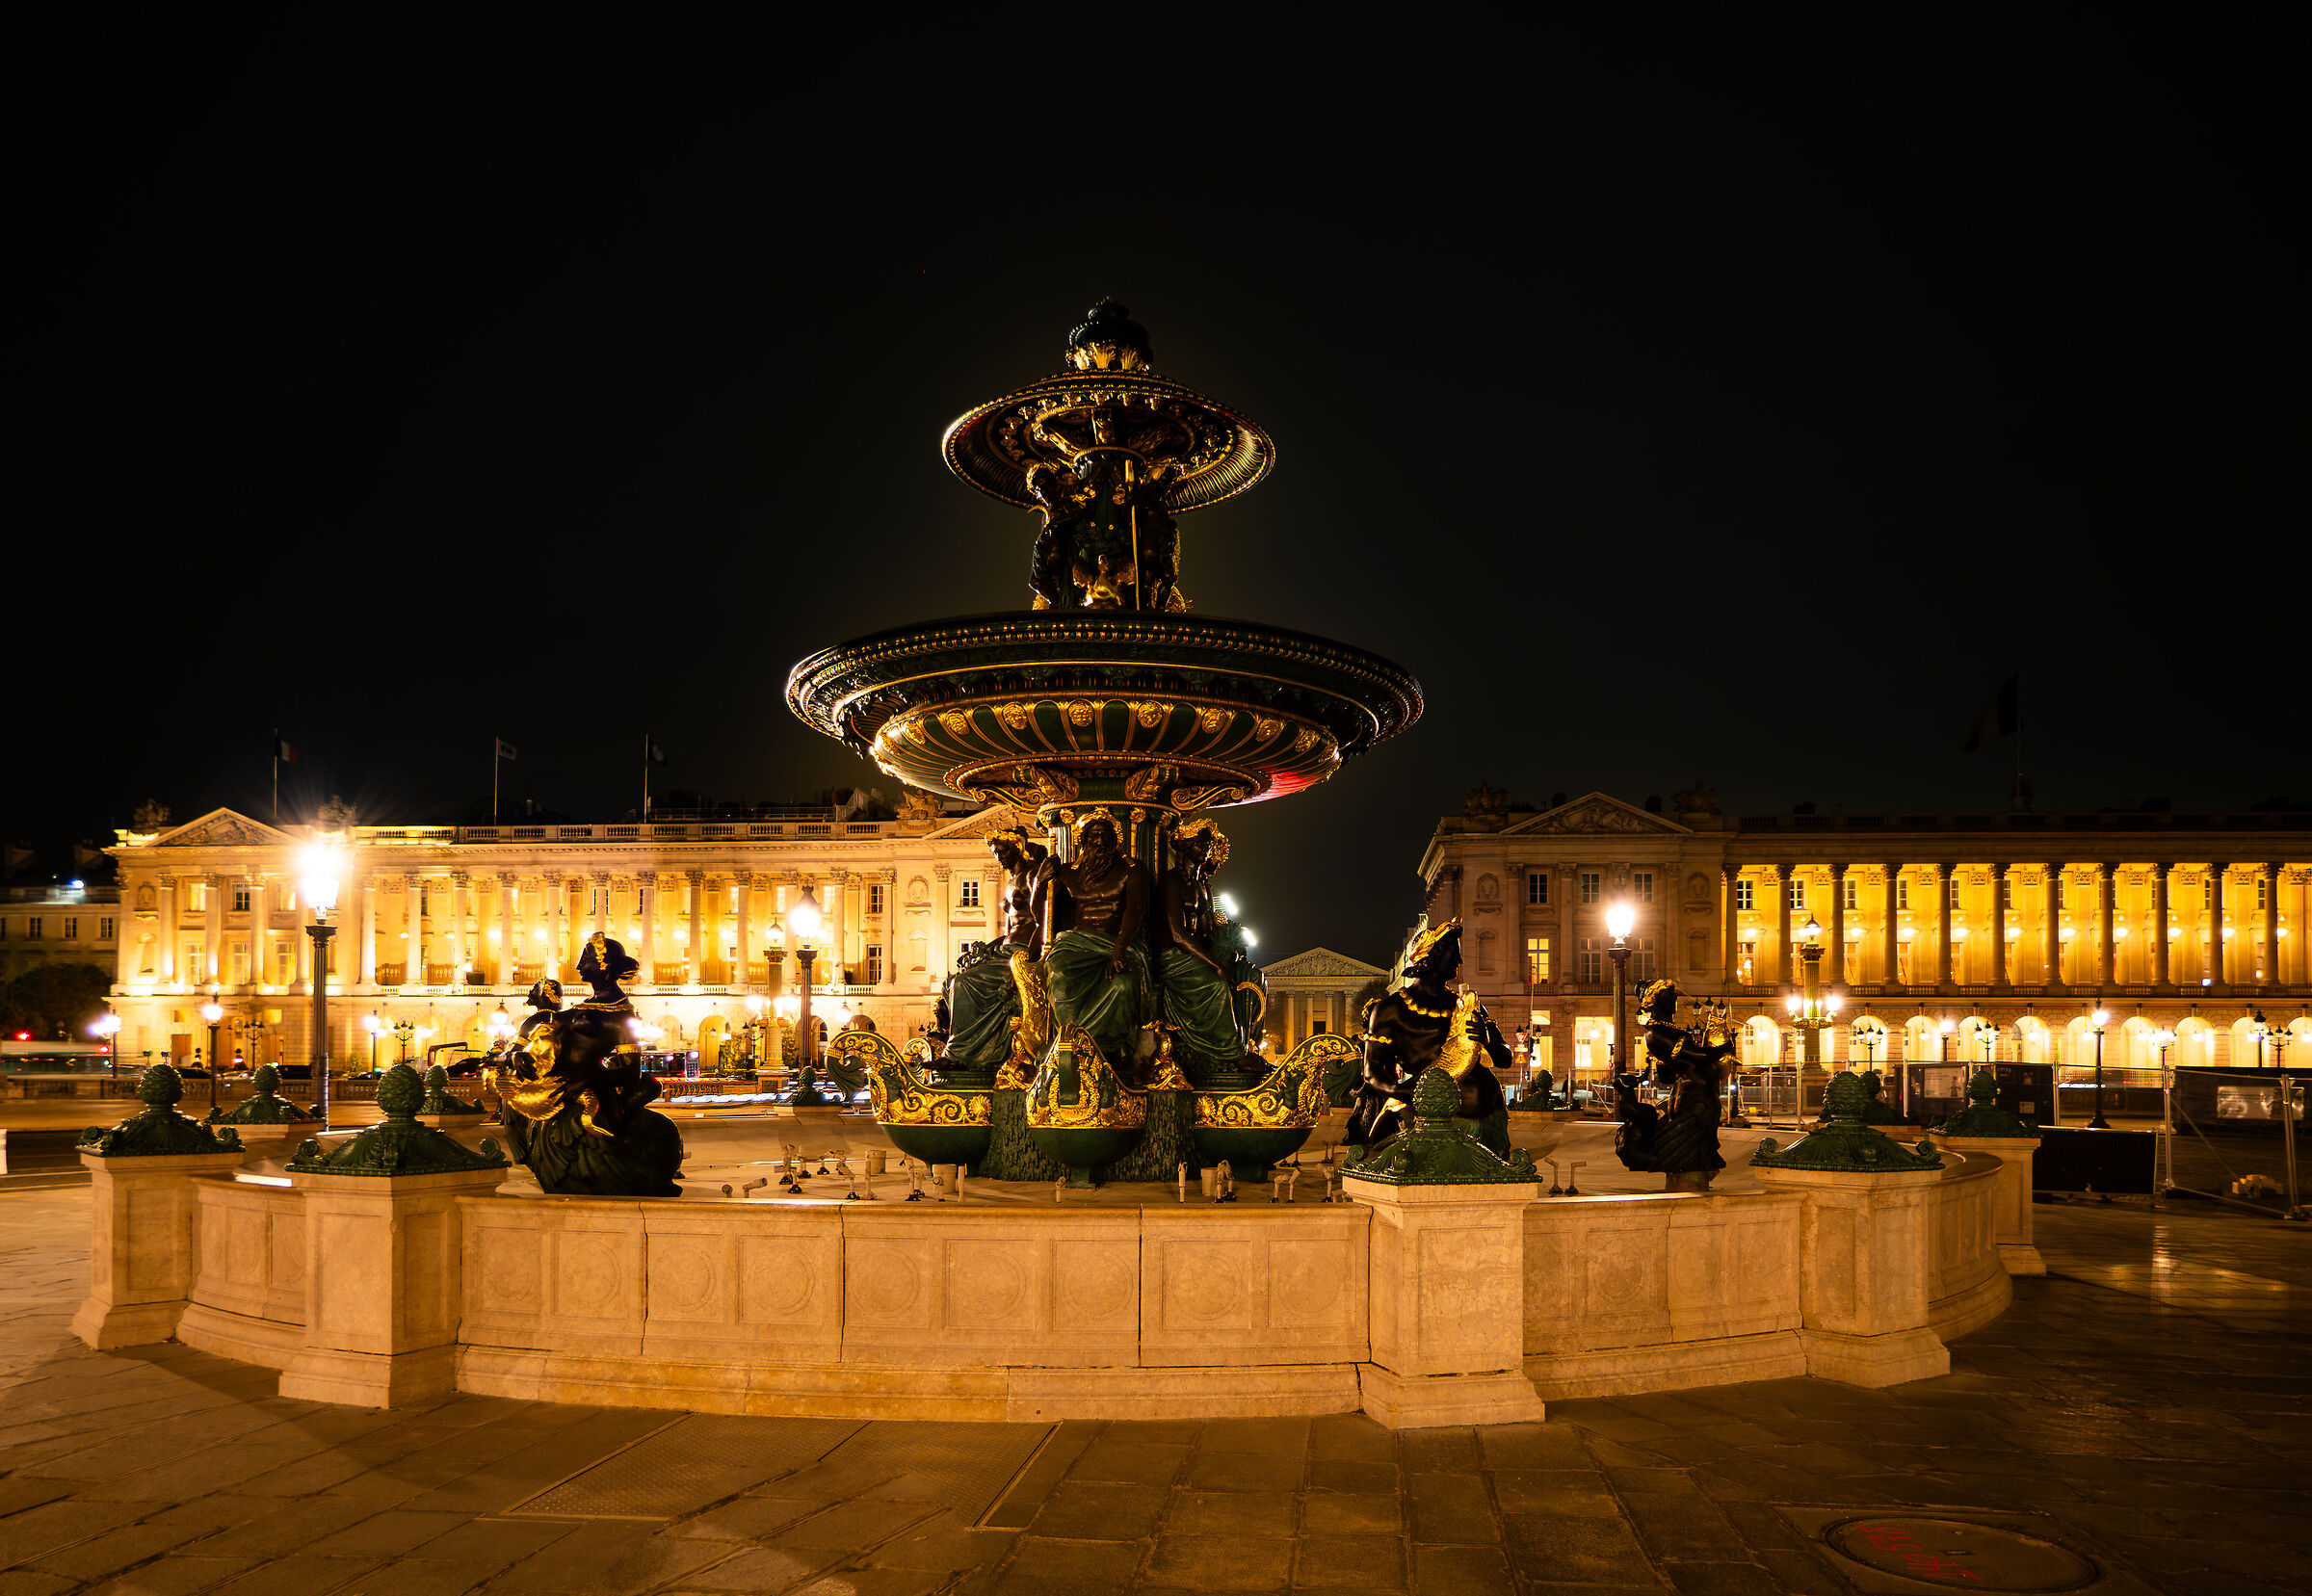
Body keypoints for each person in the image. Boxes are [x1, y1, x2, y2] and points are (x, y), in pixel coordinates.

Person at [1344, 920, 1511, 1155]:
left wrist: (1487, 1042)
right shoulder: (1390, 1009)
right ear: (1429, 957)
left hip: (1489, 1113)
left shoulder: (1466, 1004)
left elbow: (1505, 1058)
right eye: (1453, 954)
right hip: (1434, 1118)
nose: (1459, 961)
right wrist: (1416, 1096)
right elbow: (1372, 1073)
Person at [1034, 813, 1152, 1065]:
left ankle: (1106, 1049)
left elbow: (1136, 911)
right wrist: (1039, 883)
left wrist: (1119, 952)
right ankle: (1069, 1042)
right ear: (1083, 841)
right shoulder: (1066, 873)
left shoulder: (1132, 870)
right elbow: (1041, 916)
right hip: (1075, 943)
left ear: (1114, 839)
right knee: (1059, 973)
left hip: (1116, 942)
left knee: (1122, 986)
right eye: (1093, 835)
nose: (1099, 841)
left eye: (1104, 835)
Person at [942, 827, 1049, 1071]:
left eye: (1002, 851)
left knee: (965, 984)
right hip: (1007, 948)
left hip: (1024, 951)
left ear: (1017, 848)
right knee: (951, 982)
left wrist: (1027, 965)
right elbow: (1010, 927)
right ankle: (963, 1050)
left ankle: (960, 1055)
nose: (998, 857)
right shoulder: (1011, 880)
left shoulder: (1032, 876)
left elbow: (1043, 922)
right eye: (995, 853)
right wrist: (990, 946)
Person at [1150, 819, 1246, 1083]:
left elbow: (1206, 932)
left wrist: (1228, 948)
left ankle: (1242, 1041)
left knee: (1244, 974)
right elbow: (1177, 934)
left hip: (1191, 953)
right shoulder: (1173, 881)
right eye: (1199, 843)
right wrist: (1215, 965)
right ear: (1183, 847)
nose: (1205, 849)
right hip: (1170, 956)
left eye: (1207, 844)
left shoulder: (1202, 885)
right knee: (1215, 983)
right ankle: (1230, 1052)